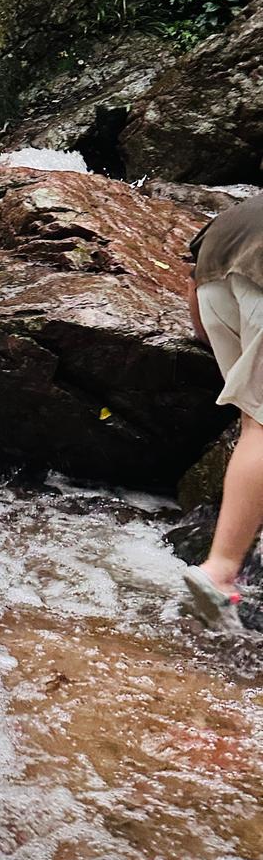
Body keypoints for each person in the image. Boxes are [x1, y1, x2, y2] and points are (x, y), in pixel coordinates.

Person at [185, 192, 263, 628]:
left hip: (214, 289)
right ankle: (220, 569)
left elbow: (192, 281)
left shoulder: (241, 209)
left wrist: (208, 336)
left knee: (255, 419)